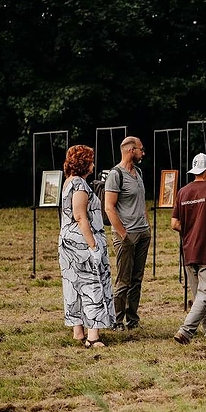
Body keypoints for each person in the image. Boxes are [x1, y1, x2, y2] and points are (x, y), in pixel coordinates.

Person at [58, 145, 115, 348]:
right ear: (84, 164)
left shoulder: (68, 183)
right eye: (90, 160)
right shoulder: (80, 185)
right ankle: (93, 337)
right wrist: (93, 245)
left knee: (73, 285)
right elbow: (81, 216)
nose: (93, 164)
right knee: (92, 284)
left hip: (67, 241)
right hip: (81, 243)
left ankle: (78, 331)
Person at [171, 153, 206, 344]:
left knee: (199, 295)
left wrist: (190, 230)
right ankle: (186, 331)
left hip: (188, 249)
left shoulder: (183, 192)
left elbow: (174, 223)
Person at [105, 136, 151, 330]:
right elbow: (109, 207)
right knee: (123, 280)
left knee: (137, 279)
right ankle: (117, 320)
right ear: (131, 151)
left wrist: (147, 226)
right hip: (127, 235)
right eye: (141, 149)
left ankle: (133, 319)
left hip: (142, 233)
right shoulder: (116, 174)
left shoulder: (138, 172)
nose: (143, 152)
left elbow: (141, 201)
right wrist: (123, 235)